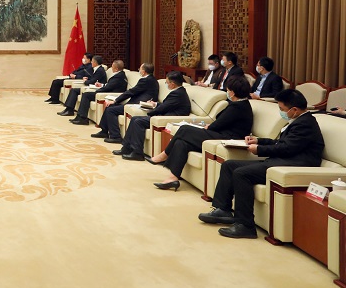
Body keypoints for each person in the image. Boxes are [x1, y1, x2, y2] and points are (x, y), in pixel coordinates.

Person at [198, 89, 324, 239]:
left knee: (241, 174)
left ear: (294, 110)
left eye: (282, 109)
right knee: (229, 165)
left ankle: (245, 225)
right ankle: (223, 209)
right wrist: (258, 141)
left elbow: (287, 148)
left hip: (292, 165)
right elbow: (281, 143)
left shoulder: (305, 124)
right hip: (282, 161)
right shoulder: (298, 120)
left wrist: (259, 149)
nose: (281, 112)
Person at [151, 76, 253, 187]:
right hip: (222, 133)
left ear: (232, 93)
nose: (227, 92)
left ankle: (164, 154)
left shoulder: (237, 107)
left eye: (228, 90)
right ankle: (173, 178)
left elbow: (219, 124)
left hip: (227, 138)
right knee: (182, 143)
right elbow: (223, 122)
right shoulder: (240, 104)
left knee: (184, 129)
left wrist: (208, 127)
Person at [113, 71, 191, 160]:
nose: (166, 84)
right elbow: (167, 105)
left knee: (138, 122)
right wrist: (155, 104)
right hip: (163, 115)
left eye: (167, 82)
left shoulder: (177, 94)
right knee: (134, 119)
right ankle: (126, 148)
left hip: (168, 119)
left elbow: (163, 108)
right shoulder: (179, 91)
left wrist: (150, 113)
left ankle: (137, 152)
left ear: (172, 84)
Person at [91, 63, 159, 143]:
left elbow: (131, 92)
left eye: (140, 69)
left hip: (139, 105)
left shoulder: (146, 80)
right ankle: (104, 131)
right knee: (110, 107)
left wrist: (116, 100)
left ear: (144, 71)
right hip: (137, 102)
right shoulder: (152, 79)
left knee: (111, 110)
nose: (139, 70)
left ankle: (115, 136)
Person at [68, 60, 127, 124]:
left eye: (112, 66)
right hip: (107, 91)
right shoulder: (119, 74)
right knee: (86, 94)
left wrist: (97, 91)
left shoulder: (119, 77)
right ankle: (79, 117)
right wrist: (101, 85)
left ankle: (82, 118)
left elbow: (108, 87)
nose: (111, 67)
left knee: (86, 95)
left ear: (116, 69)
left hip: (110, 94)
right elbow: (110, 85)